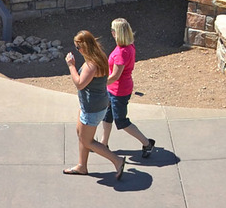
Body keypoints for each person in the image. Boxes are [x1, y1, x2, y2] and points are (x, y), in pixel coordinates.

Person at [63, 30, 125, 179]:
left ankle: (117, 161)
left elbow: (79, 84)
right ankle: (82, 166)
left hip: (93, 108)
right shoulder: (99, 56)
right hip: (92, 105)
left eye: (78, 48)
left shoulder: (91, 64)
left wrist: (71, 65)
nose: (77, 51)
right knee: (81, 134)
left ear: (84, 46)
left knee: (87, 141)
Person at [103, 18, 156, 158]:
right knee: (106, 115)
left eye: (113, 30)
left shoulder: (121, 53)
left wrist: (99, 84)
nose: (111, 32)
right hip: (114, 89)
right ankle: (104, 143)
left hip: (118, 91)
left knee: (121, 121)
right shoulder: (128, 46)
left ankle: (147, 143)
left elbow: (115, 76)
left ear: (116, 33)